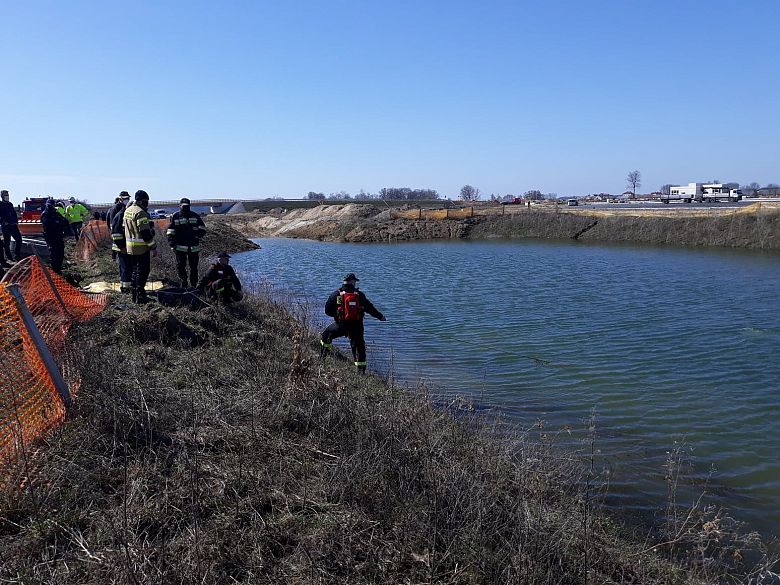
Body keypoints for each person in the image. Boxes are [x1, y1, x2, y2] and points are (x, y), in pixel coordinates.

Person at [320, 273, 386, 373]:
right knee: (359, 348)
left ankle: (322, 359)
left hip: (341, 325)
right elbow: (370, 308)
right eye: (355, 281)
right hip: (357, 326)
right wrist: (380, 316)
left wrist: (337, 315)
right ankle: (361, 373)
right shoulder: (359, 295)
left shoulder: (336, 294)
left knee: (326, 335)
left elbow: (327, 311)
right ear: (352, 281)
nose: (355, 283)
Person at [123, 190, 157, 303]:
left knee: (134, 272)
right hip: (141, 248)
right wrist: (153, 246)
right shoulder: (140, 213)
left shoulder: (128, 210)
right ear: (142, 201)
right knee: (142, 272)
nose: (147, 203)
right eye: (146, 201)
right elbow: (145, 233)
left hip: (130, 247)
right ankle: (140, 296)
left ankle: (134, 296)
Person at [167, 197, 206, 288]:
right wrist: (172, 245)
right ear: (180, 206)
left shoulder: (195, 216)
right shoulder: (175, 216)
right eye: (183, 206)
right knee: (180, 266)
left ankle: (193, 285)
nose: (185, 207)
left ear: (190, 206)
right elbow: (170, 232)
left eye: (187, 206)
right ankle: (183, 283)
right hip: (180, 247)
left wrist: (197, 234)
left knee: (194, 268)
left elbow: (203, 228)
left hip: (193, 247)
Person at [40, 198, 71, 273]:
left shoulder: (56, 213)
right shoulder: (45, 214)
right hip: (50, 236)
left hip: (58, 235)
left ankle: (58, 269)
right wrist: (58, 223)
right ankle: (55, 270)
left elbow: (66, 222)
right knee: (54, 252)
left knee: (60, 252)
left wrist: (58, 223)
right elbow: (49, 225)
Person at [0, 190, 23, 262]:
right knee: (7, 242)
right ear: (2, 196)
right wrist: (3, 222)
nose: (7, 196)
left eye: (7, 195)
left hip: (13, 225)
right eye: (5, 195)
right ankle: (9, 257)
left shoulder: (10, 204)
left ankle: (17, 255)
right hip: (5, 226)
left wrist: (16, 221)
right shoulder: (0, 204)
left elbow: (14, 214)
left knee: (19, 239)